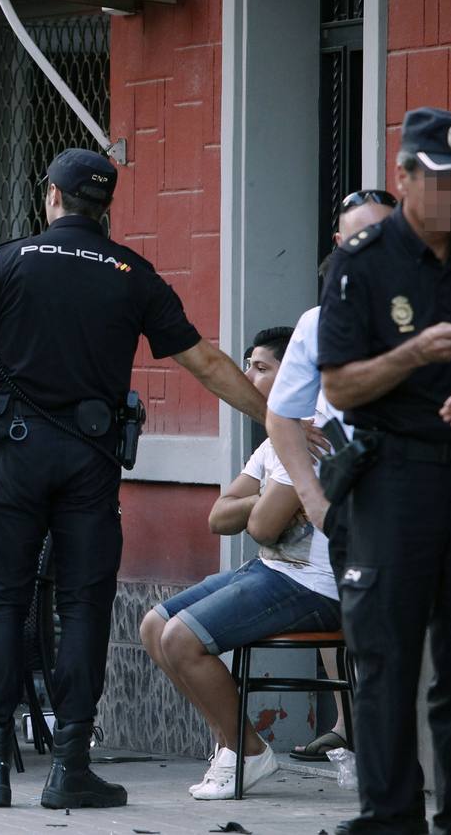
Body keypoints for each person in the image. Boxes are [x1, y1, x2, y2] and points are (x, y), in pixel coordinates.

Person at [0, 147, 268, 811]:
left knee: (1, 603)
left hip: (16, 456)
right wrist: (274, 417)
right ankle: (70, 766)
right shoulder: (133, 273)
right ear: (106, 208)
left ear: (54, 199)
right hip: (90, 461)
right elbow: (205, 362)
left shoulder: (11, 261)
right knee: (82, 607)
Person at [317, 107, 451, 835]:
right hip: (394, 477)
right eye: (443, 182)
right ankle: (389, 815)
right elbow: (338, 387)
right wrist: (413, 355)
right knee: (387, 655)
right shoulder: (363, 262)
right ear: (404, 178)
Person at [141, 327, 342, 800]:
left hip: (316, 586)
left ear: (295, 373)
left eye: (262, 368)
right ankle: (233, 748)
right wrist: (267, 498)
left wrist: (265, 504)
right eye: (248, 365)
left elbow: (261, 529)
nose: (248, 376)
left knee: (182, 638)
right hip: (272, 571)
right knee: (153, 626)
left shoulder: (310, 436)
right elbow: (219, 517)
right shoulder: (278, 437)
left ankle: (249, 753)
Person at [263, 188, 396, 761]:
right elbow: (281, 415)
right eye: (360, 236)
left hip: (435, 499)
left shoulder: (446, 303)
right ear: (341, 245)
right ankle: (390, 800)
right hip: (358, 512)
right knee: (375, 652)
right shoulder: (320, 321)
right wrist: (314, 501)